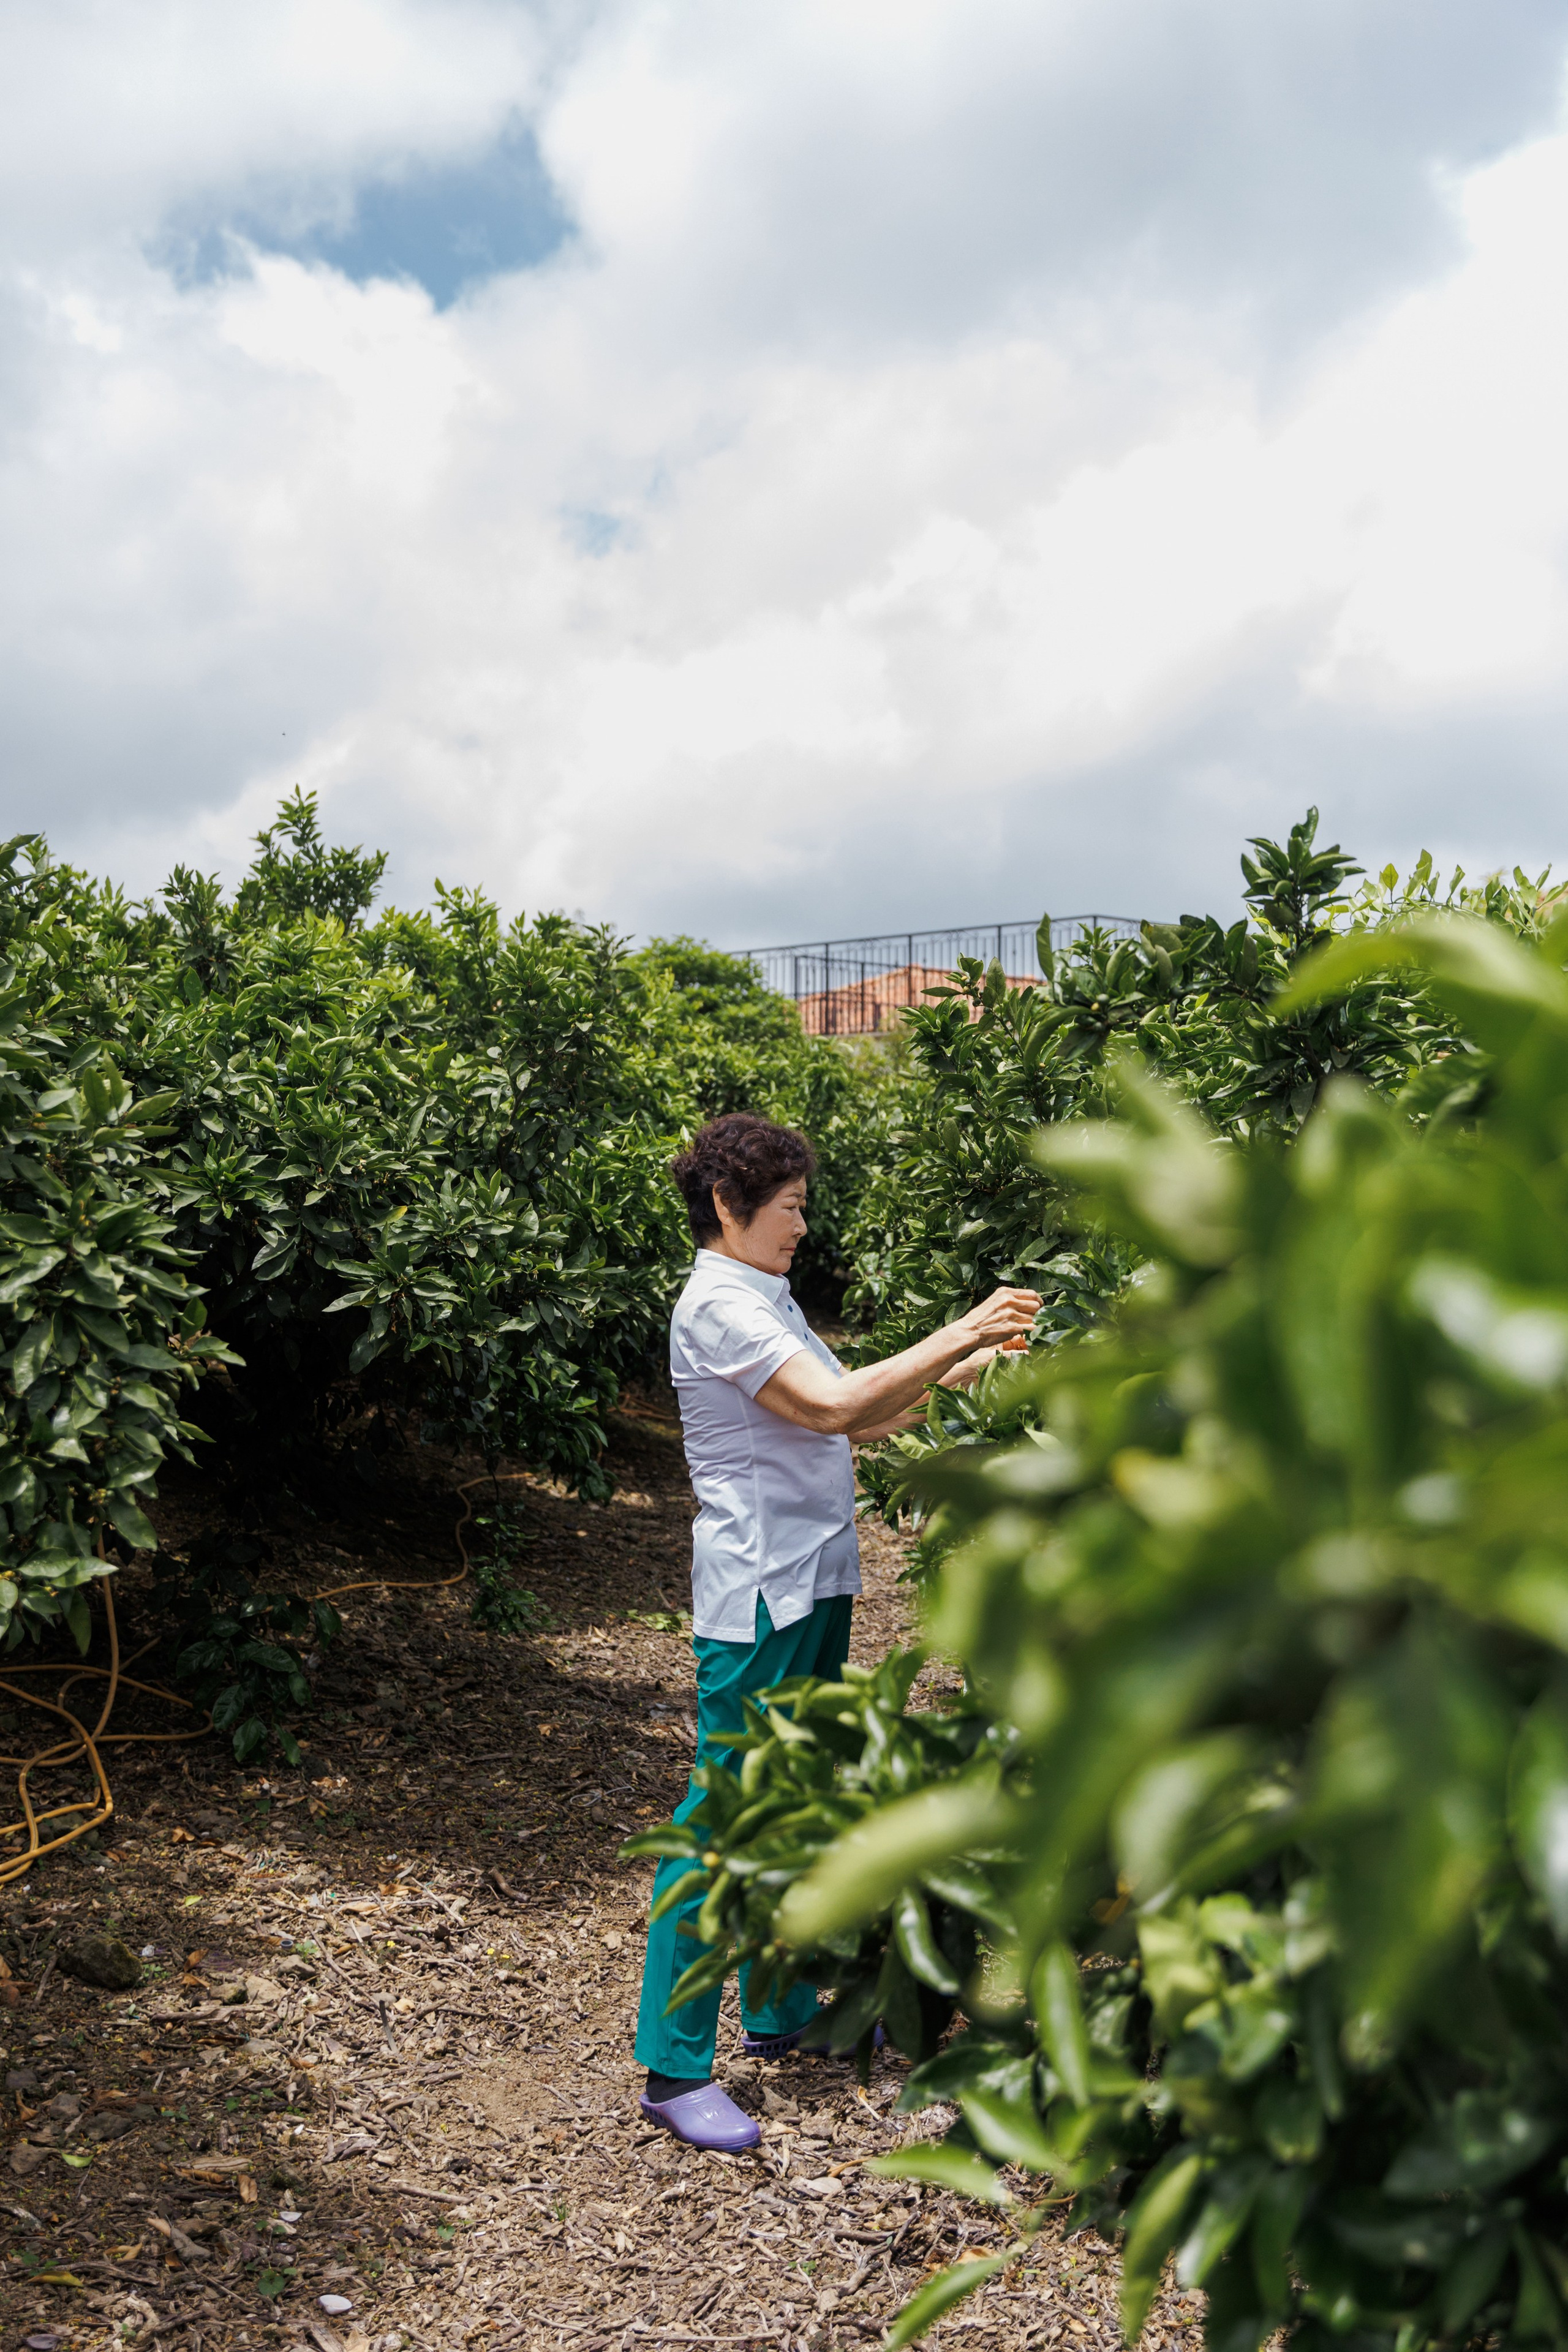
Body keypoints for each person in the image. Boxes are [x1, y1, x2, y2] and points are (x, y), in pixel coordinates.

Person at [635, 1110, 1041, 2151]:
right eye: (788, 1208)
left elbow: (862, 1415)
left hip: (812, 1580)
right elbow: (826, 1408)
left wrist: (969, 1365)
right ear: (729, 1206)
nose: (802, 1227)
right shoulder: (718, 1305)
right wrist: (963, 1326)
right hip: (759, 1592)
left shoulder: (764, 1297)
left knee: (791, 1799)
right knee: (721, 1814)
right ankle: (674, 2068)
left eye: (804, 1207)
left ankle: (771, 2012)